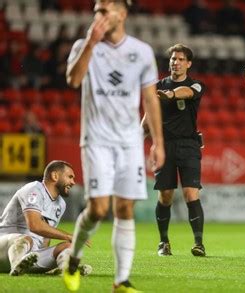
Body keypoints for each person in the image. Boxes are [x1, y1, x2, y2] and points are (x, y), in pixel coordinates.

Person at [62, 0, 165, 292]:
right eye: (96, 10)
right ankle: (74, 259)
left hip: (130, 141)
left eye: (104, 10)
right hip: (97, 139)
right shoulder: (85, 45)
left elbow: (150, 99)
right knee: (97, 208)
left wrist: (157, 142)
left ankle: (121, 281)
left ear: (122, 14)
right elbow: (73, 79)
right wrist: (91, 44)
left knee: (125, 209)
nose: (99, 16)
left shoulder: (141, 51)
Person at [142, 44, 206, 257]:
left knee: (190, 193)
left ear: (188, 63)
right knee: (166, 196)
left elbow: (185, 92)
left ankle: (198, 243)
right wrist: (136, 138)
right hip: (164, 146)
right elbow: (148, 118)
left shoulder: (195, 85)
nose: (175, 62)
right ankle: (164, 242)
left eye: (180, 59)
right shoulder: (158, 86)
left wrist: (169, 94)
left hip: (188, 145)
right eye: (173, 59)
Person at [0, 160, 91, 276]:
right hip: (5, 249)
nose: (73, 182)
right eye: (70, 177)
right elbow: (35, 226)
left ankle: (66, 269)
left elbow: (45, 238)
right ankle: (16, 266)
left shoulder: (61, 204)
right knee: (27, 239)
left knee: (69, 246)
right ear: (55, 176)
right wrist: (68, 235)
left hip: (30, 257)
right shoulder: (33, 190)